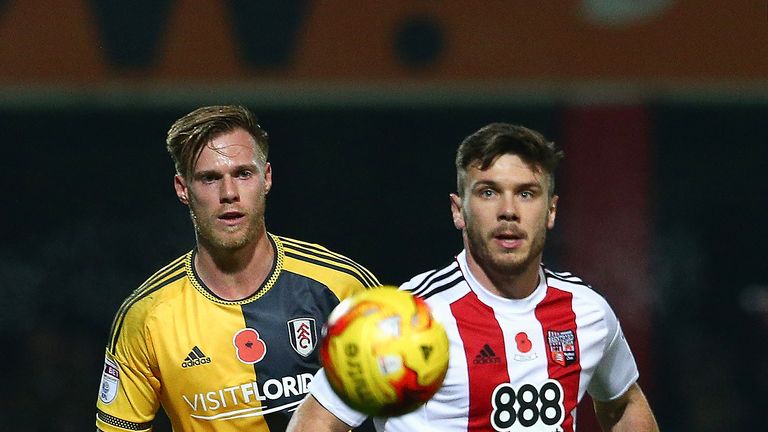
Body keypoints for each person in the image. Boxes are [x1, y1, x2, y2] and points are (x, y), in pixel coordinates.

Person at [287, 123, 659, 431]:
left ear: (551, 210)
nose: (508, 211)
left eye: (526, 194)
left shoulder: (587, 311)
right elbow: (316, 422)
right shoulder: (409, 316)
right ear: (458, 210)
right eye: (488, 192)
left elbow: (625, 403)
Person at [95, 105, 380, 432]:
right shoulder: (147, 317)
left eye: (243, 174)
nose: (229, 194)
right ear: (182, 189)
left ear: (267, 178)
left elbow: (410, 406)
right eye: (209, 178)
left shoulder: (343, 288)